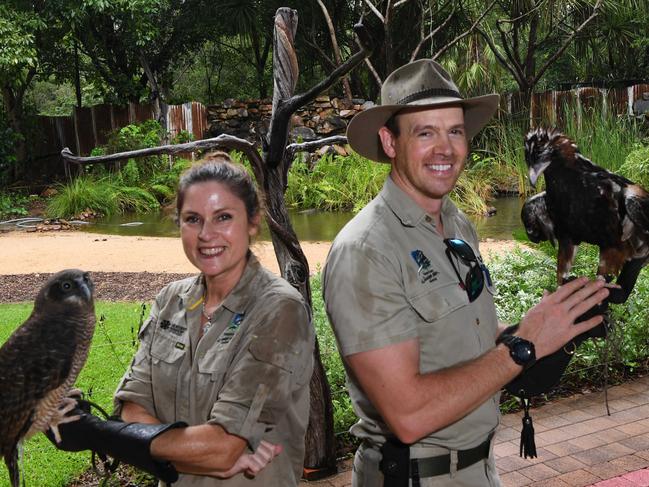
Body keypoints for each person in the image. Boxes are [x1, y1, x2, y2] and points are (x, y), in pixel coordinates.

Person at [321, 59, 610, 487]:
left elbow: (474, 344)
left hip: (481, 469)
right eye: (425, 133)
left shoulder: (456, 224)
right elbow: (408, 414)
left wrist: (551, 329)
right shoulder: (366, 250)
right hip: (415, 478)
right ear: (389, 141)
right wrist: (523, 347)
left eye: (455, 131)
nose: (446, 148)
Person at [50, 152, 315, 486]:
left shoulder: (278, 310)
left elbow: (223, 450)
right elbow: (131, 408)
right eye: (192, 219)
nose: (206, 234)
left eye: (223, 217)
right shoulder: (171, 301)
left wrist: (102, 435)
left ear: (253, 222)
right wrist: (199, 453)